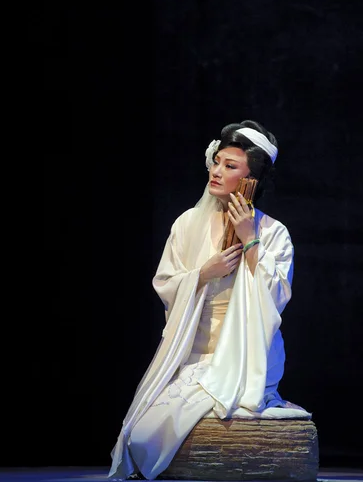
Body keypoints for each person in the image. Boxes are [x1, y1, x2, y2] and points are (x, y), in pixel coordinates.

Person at [108, 119, 311, 481]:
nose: (216, 171)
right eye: (216, 161)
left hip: (247, 353)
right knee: (139, 433)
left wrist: (250, 241)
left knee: (175, 424)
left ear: (252, 179)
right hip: (193, 351)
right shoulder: (187, 223)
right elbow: (166, 283)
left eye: (230, 166)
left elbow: (275, 299)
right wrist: (202, 275)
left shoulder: (273, 232)